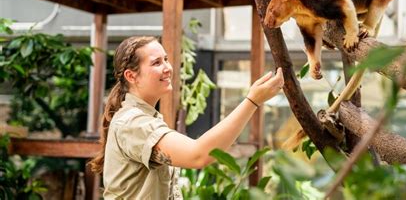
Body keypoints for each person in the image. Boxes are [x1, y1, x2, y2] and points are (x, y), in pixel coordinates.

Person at [89, 36, 284, 199]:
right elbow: (198, 155)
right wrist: (252, 101)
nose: (167, 67)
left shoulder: (147, 117)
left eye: (165, 59)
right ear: (131, 76)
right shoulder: (133, 122)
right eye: (156, 63)